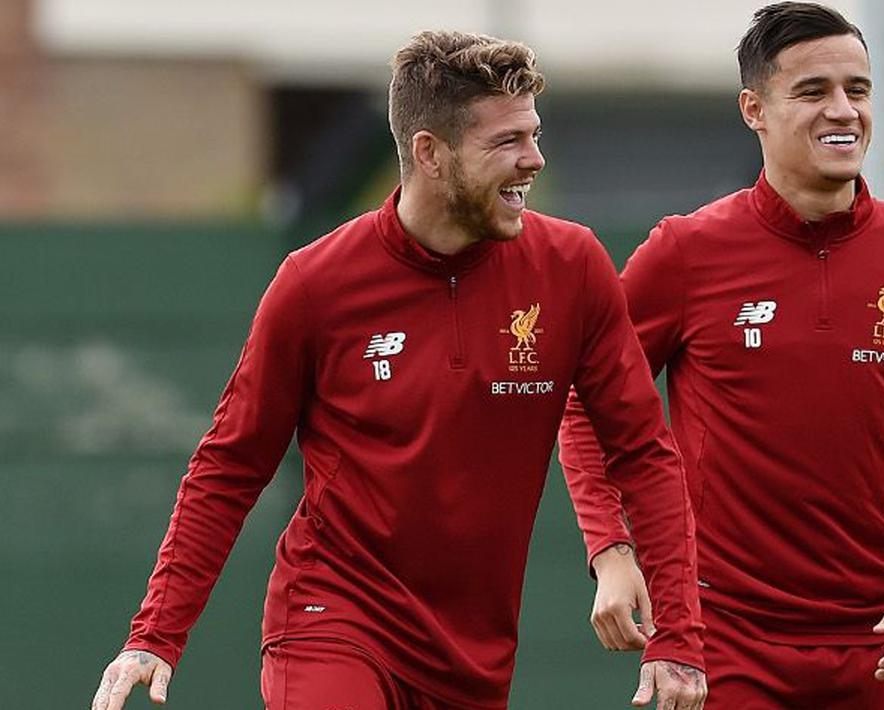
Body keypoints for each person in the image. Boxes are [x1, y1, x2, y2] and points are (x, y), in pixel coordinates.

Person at [91, 30, 707, 710]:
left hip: (472, 654)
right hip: (331, 619)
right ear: (429, 153)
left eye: (533, 135)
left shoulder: (573, 267)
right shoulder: (315, 283)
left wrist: (677, 634)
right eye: (506, 141)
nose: (533, 159)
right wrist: (156, 634)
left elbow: (642, 454)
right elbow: (229, 466)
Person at [557, 3, 884, 708]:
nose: (843, 110)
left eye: (857, 89)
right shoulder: (686, 250)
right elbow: (587, 400)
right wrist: (610, 550)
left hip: (873, 646)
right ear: (753, 110)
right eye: (813, 91)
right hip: (721, 640)